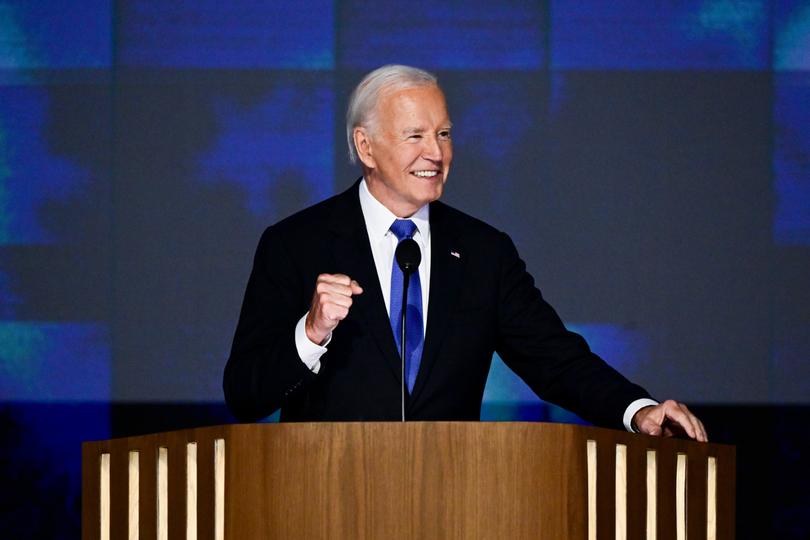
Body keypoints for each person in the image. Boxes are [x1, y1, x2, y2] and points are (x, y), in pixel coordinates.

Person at [223, 65, 707, 441]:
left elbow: (556, 360)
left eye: (444, 133)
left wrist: (637, 410)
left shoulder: (483, 253)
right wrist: (310, 333)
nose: (435, 152)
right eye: (415, 135)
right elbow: (246, 394)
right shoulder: (295, 244)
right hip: (326, 503)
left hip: (452, 501)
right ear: (365, 147)